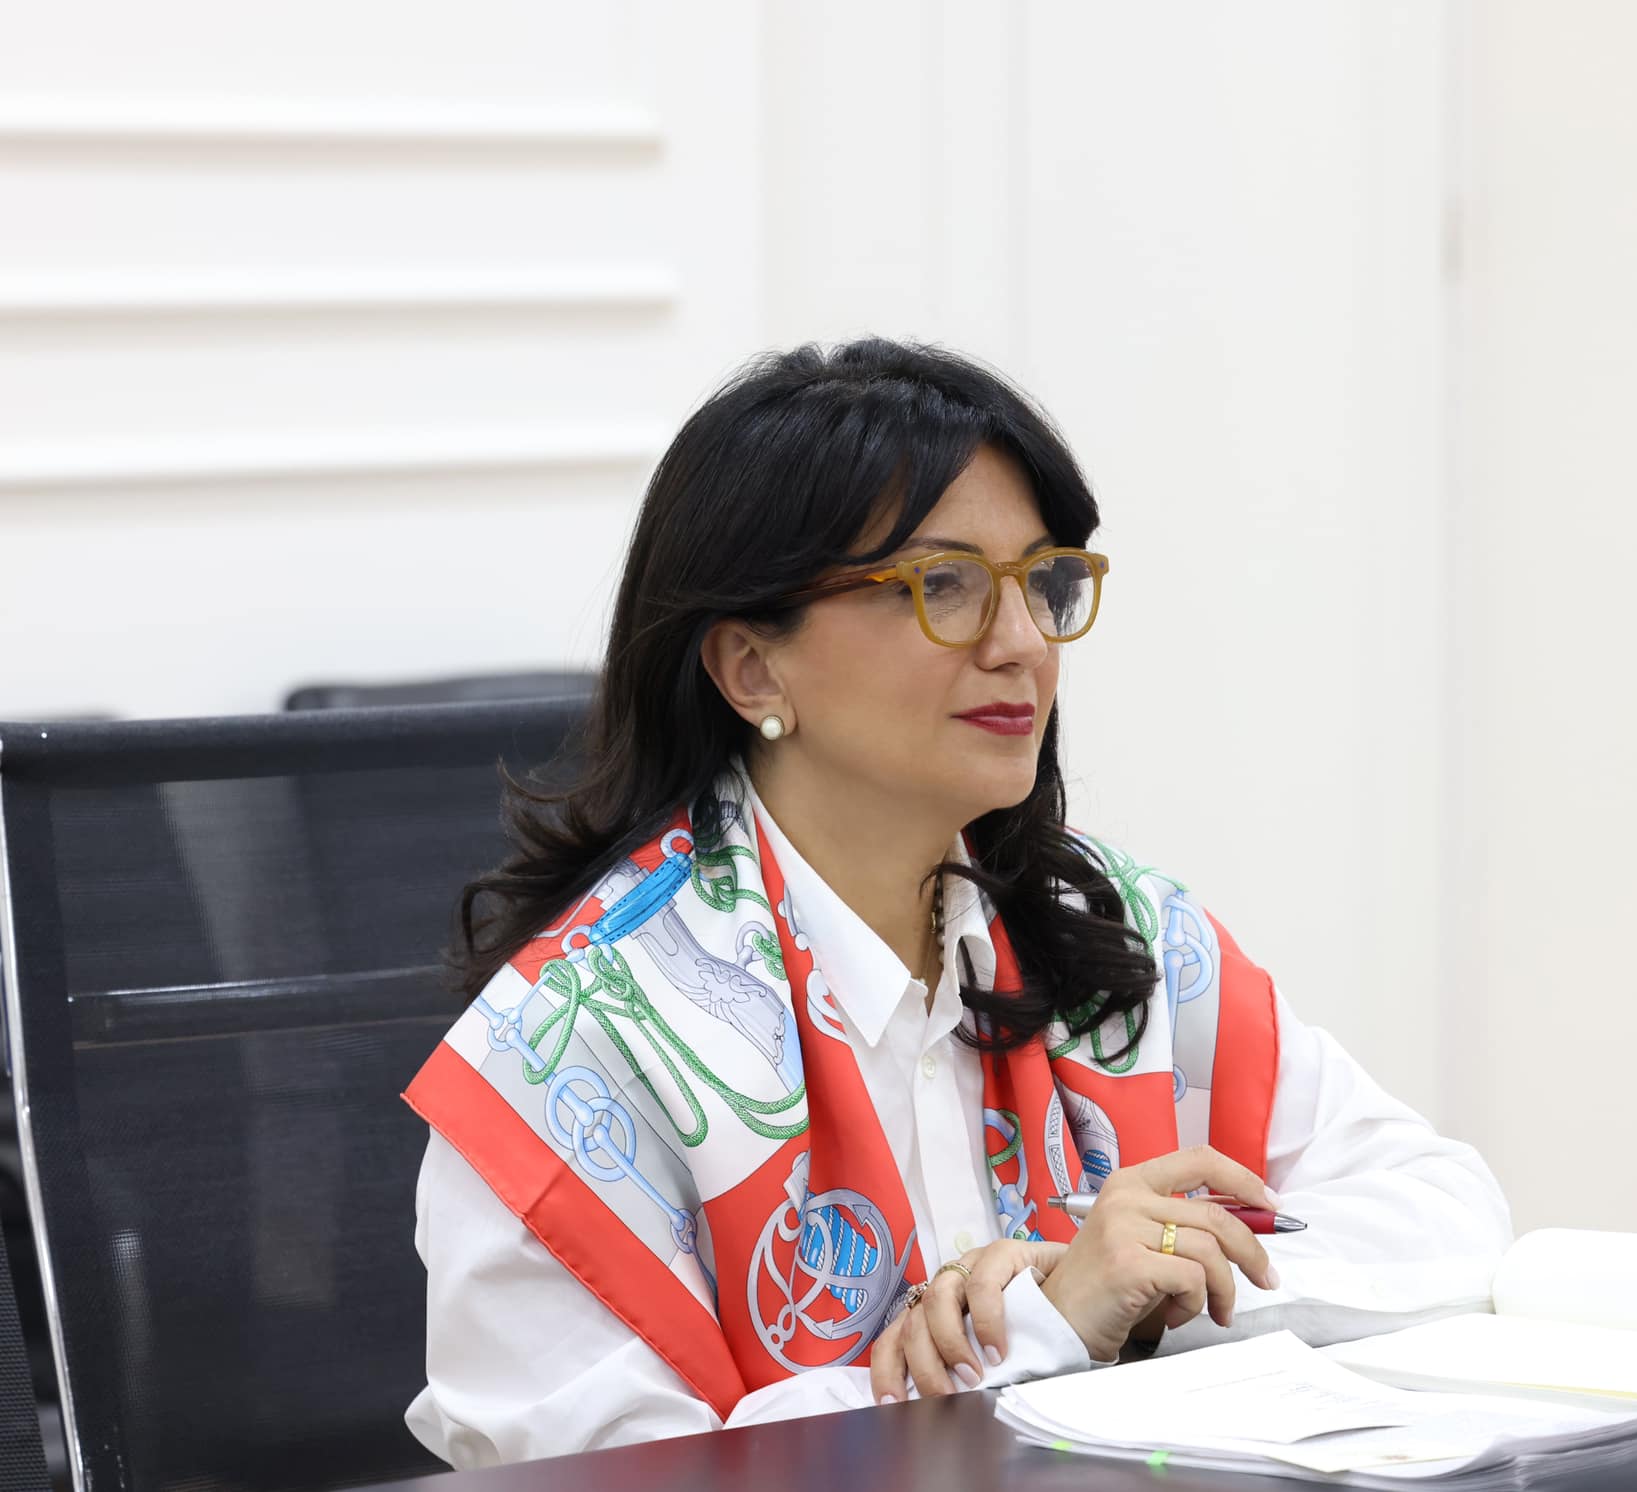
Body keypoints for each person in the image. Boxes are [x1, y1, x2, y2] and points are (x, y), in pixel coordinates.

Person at [403, 339, 1511, 1469]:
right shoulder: (573, 1047)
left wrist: (1154, 1281)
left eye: (1041, 583)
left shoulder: (1114, 929)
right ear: (751, 668)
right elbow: (600, 1472)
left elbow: (1449, 1217)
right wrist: (1040, 1331)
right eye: (943, 587)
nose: (1022, 643)